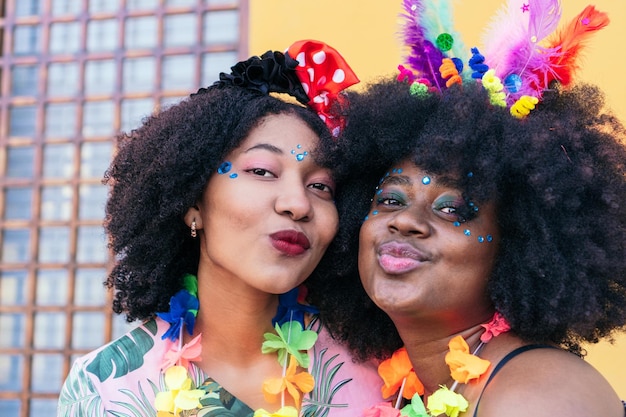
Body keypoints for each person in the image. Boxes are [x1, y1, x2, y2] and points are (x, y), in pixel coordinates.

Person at [306, 2, 626, 416]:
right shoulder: (405, 388)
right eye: (389, 200)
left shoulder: (536, 396)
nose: (404, 220)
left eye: (453, 209)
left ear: (518, 246)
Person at [57, 40, 384, 417]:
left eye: (321, 186)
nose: (297, 204)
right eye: (262, 171)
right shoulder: (106, 390)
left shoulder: (380, 369)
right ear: (193, 202)